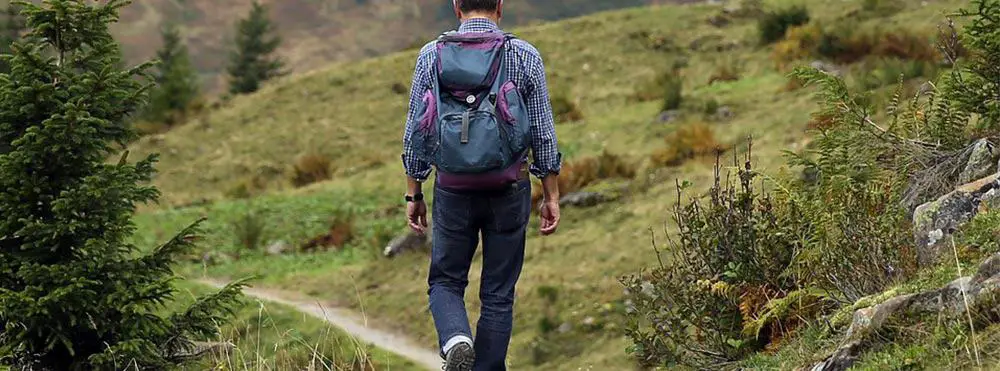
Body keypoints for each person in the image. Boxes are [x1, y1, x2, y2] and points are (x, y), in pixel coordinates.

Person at [400, 0, 562, 370]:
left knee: (445, 282)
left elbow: (414, 133)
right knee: (498, 294)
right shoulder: (523, 55)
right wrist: (550, 193)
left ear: (457, 6)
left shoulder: (431, 55)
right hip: (509, 188)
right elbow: (543, 132)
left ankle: (456, 339)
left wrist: (415, 193)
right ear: (500, 6)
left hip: (453, 189)